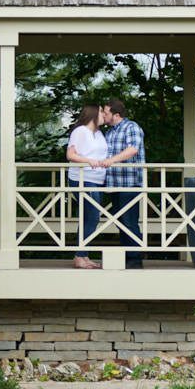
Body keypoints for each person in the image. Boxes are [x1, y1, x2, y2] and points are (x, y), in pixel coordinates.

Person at [101, 98, 146, 269]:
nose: (104, 116)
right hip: (114, 184)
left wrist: (111, 160)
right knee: (120, 221)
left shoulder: (131, 127)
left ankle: (135, 258)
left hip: (130, 182)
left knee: (129, 221)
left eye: (106, 113)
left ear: (116, 114)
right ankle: (127, 255)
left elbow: (132, 149)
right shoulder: (110, 132)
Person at [65, 104, 109, 269]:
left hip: (97, 180)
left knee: (88, 218)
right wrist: (88, 161)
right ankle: (80, 256)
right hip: (83, 178)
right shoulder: (80, 131)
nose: (104, 115)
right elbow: (70, 155)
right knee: (93, 216)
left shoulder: (98, 133)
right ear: (93, 114)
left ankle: (83, 255)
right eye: (101, 112)